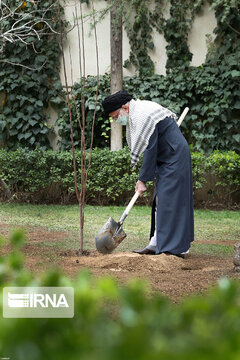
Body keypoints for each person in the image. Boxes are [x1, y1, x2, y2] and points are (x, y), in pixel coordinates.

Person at [102, 90, 194, 257]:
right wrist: (143, 178)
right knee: (160, 199)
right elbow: (150, 147)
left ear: (124, 108)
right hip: (166, 157)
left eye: (115, 116)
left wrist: (142, 180)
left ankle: (179, 247)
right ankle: (156, 242)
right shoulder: (137, 113)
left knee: (171, 200)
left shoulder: (142, 114)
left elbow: (150, 149)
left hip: (175, 157)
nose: (115, 120)